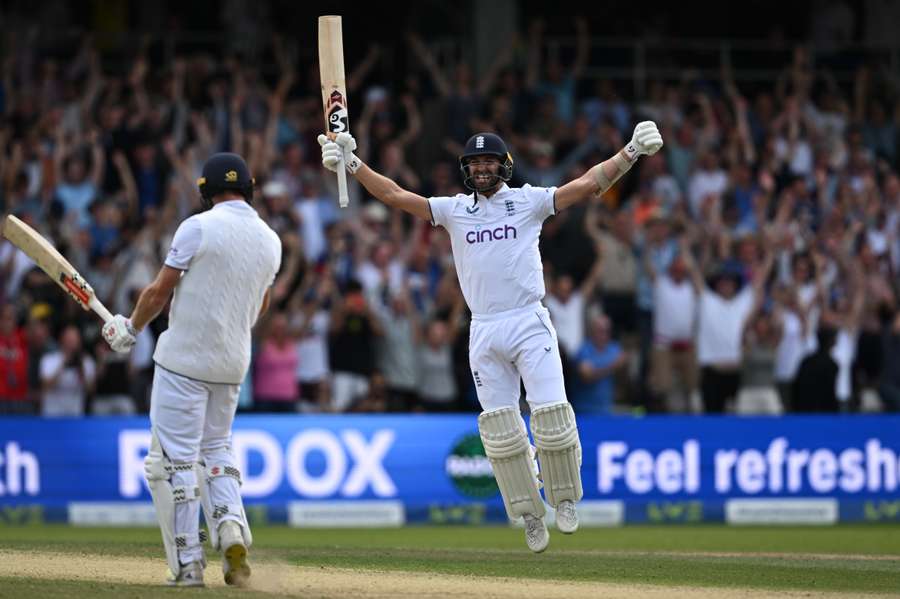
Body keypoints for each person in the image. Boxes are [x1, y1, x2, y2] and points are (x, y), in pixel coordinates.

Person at [319, 121, 663, 552]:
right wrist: (352, 163)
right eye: (475, 162)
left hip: (527, 320)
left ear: (504, 166)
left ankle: (564, 499)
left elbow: (586, 184)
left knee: (551, 416)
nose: (481, 168)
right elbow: (393, 195)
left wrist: (630, 152)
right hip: (482, 327)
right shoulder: (454, 210)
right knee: (502, 433)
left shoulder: (528, 201)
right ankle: (528, 513)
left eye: (489, 162)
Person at [101, 153, 281, 586]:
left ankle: (188, 566)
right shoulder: (270, 239)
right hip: (233, 363)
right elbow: (262, 305)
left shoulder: (197, 226)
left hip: (184, 360)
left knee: (173, 463)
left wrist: (130, 327)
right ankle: (231, 528)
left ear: (205, 191)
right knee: (217, 451)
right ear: (250, 188)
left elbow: (160, 289)